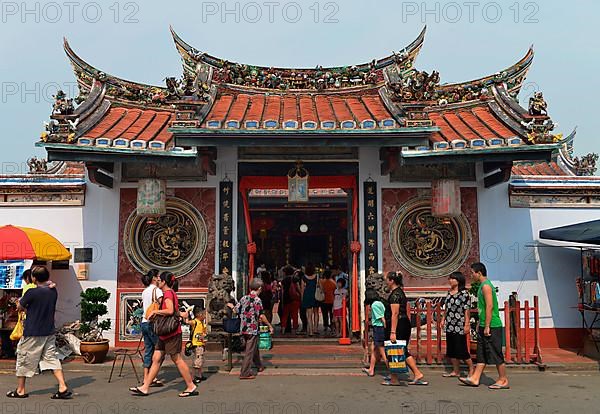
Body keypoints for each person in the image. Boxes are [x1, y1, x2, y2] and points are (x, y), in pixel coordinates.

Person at [7, 265, 71, 399]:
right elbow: (48, 286)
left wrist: (18, 302)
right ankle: (62, 386)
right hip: (48, 331)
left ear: (34, 278)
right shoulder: (53, 291)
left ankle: (20, 390)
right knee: (52, 358)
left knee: (24, 359)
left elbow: (20, 307)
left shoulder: (32, 292)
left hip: (33, 332)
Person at [130, 272, 197, 397]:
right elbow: (174, 310)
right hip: (164, 333)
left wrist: (155, 311)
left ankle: (191, 386)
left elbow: (170, 310)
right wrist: (181, 314)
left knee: (176, 359)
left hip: (171, 332)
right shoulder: (170, 293)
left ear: (164, 282)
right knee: (156, 358)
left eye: (159, 279)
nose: (157, 281)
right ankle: (145, 387)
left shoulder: (167, 293)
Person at [459, 263, 509, 390]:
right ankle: (475, 378)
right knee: (481, 353)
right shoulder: (482, 286)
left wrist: (487, 325)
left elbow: (489, 306)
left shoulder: (486, 286)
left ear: (479, 273)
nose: (471, 275)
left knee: (495, 353)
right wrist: (480, 325)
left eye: (472, 273)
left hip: (492, 324)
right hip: (483, 324)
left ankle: (503, 379)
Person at [382, 271, 428, 386]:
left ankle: (395, 378)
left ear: (392, 281)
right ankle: (415, 374)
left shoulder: (395, 295)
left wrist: (393, 331)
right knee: (400, 350)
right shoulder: (398, 292)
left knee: (394, 349)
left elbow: (395, 314)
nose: (385, 282)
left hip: (398, 325)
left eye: (387, 279)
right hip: (403, 323)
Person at [228, 278, 274, 379]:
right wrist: (269, 326)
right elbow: (261, 315)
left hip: (243, 327)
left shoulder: (244, 298)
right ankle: (245, 372)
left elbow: (236, 310)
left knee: (253, 347)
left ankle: (259, 365)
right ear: (260, 288)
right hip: (252, 329)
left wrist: (231, 306)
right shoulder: (257, 300)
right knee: (249, 351)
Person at [441, 272, 474, 378]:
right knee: (451, 348)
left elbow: (466, 310)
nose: (450, 281)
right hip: (450, 323)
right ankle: (456, 370)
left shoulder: (464, 294)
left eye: (452, 279)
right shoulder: (449, 293)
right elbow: (446, 308)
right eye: (449, 279)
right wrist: (443, 319)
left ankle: (471, 369)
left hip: (459, 323)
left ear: (458, 280)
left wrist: (467, 324)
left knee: (461, 349)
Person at [139, 269, 165, 388]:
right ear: (154, 278)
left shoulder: (145, 291)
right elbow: (163, 306)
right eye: (158, 276)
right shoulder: (157, 291)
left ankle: (146, 377)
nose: (159, 279)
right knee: (159, 350)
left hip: (144, 322)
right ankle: (152, 377)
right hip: (153, 323)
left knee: (149, 350)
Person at [362, 289, 388, 377]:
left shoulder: (374, 305)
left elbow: (381, 317)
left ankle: (391, 370)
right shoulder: (380, 303)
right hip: (379, 328)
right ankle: (371, 369)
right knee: (374, 349)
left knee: (381, 350)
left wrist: (385, 327)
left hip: (378, 328)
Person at [184, 306, 207, 384]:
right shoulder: (195, 322)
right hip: (196, 344)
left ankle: (199, 375)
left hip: (201, 344)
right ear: (199, 314)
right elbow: (187, 322)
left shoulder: (202, 323)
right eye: (204, 314)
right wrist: (187, 312)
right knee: (197, 361)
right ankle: (193, 377)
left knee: (200, 360)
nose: (205, 316)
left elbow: (204, 333)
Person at [300, 264, 320, 336]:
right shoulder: (317, 276)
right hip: (315, 295)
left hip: (307, 296)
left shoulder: (304, 277)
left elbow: (302, 289)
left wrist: (302, 298)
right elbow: (320, 286)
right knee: (316, 313)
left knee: (309, 314)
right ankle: (315, 329)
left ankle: (310, 331)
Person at [281, 267, 301, 334]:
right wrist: (301, 295)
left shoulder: (283, 280)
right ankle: (295, 330)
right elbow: (298, 288)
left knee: (285, 315)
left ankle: (283, 329)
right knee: (295, 315)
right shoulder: (295, 279)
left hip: (286, 299)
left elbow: (282, 291)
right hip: (294, 299)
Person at [319, 270, 337, 335]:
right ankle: (332, 326)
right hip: (332, 300)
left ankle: (325, 326)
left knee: (324, 314)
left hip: (323, 300)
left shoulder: (322, 282)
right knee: (332, 314)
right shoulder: (333, 282)